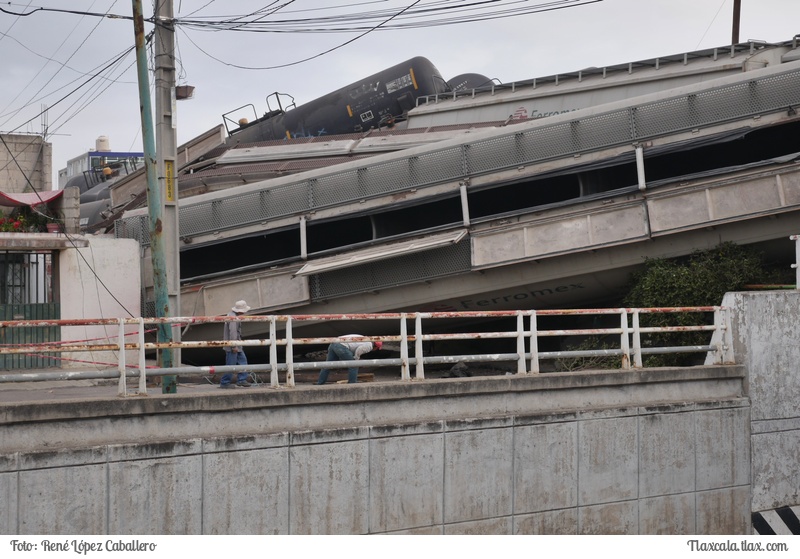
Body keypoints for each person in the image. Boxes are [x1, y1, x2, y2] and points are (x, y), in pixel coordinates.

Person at [316, 335, 383, 385]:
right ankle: (352, 383)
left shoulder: (364, 338)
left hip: (334, 343)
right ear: (376, 347)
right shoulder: (369, 345)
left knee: (328, 364)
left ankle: (320, 382)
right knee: (354, 365)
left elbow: (354, 346)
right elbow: (359, 349)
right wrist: (356, 359)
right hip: (341, 346)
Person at [220, 300, 253, 388]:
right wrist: (234, 345)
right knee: (231, 364)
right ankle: (225, 382)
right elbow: (233, 332)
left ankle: (241, 379)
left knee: (241, 361)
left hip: (235, 344)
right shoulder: (233, 318)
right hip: (233, 344)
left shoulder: (231, 315)